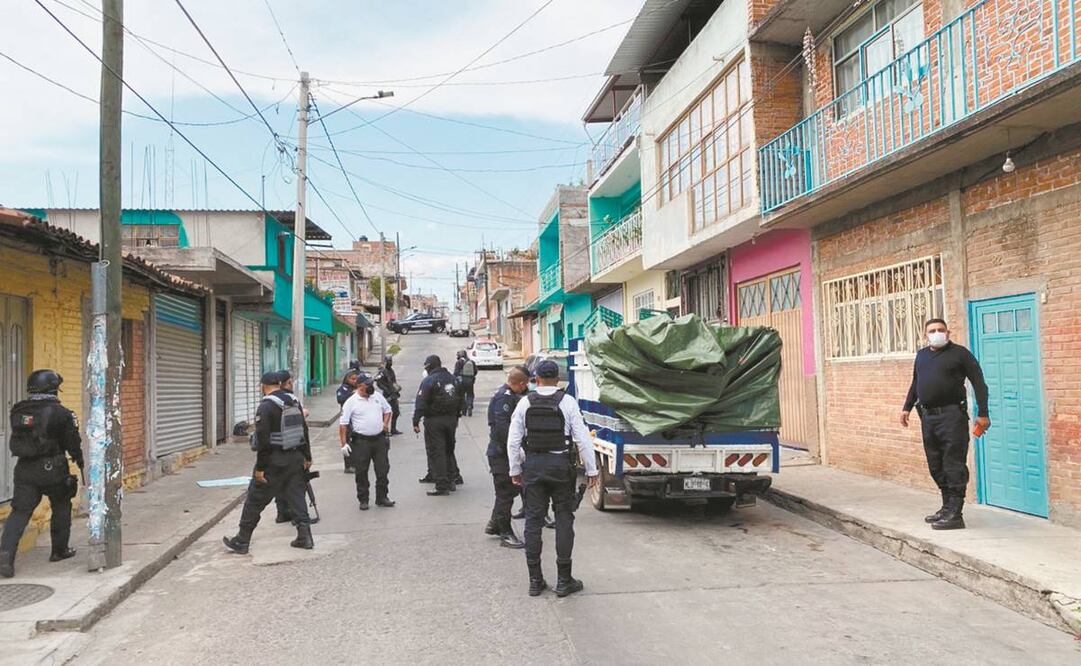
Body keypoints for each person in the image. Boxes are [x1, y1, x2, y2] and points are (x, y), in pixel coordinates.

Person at [507, 360, 599, 597]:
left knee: (533, 523)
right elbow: (583, 440)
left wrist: (515, 470)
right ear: (557, 380)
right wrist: (592, 471)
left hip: (534, 468)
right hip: (560, 468)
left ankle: (535, 580)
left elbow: (513, 441)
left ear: (536, 380)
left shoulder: (525, 403)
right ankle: (563, 580)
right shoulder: (567, 402)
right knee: (564, 520)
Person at [901, 318, 990, 531]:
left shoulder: (960, 354)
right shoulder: (922, 355)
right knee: (936, 463)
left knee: (953, 463)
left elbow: (979, 382)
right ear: (925, 335)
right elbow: (916, 382)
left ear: (948, 332)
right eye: (932, 330)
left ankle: (956, 514)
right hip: (928, 417)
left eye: (941, 330)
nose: (937, 333)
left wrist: (983, 413)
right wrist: (907, 407)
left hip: (952, 416)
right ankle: (946, 506)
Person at [1, 370, 83, 578]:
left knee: (19, 513)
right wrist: (79, 459)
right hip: (53, 468)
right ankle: (59, 550)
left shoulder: (18, 409)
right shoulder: (62, 413)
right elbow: (72, 442)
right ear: (53, 388)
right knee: (62, 506)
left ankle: (5, 557)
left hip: (25, 469)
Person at [223, 372, 313, 554]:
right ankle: (305, 537)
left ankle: (242, 540)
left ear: (263, 386)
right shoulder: (293, 400)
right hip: (296, 458)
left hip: (274, 461)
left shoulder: (266, 406)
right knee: (296, 496)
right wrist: (307, 456)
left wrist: (260, 468)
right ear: (279, 384)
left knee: (255, 500)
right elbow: (303, 429)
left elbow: (263, 441)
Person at [485, 366, 530, 549]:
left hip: (504, 453)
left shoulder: (511, 395)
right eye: (525, 385)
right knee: (505, 493)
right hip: (500, 453)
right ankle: (505, 532)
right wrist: (516, 448)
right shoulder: (505, 397)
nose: (526, 388)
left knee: (509, 491)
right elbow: (502, 428)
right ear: (519, 383)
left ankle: (494, 523)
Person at [340, 372, 395, 511]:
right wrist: (343, 444)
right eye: (368, 385)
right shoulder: (351, 402)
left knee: (383, 469)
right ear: (360, 386)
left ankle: (382, 497)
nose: (371, 387)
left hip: (379, 440)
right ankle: (363, 499)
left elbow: (388, 410)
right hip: (361, 442)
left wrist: (385, 424)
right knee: (361, 472)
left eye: (371, 384)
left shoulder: (377, 396)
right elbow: (343, 424)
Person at [414, 355, 463, 496]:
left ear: (429, 366)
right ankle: (452, 479)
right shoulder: (453, 378)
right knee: (448, 449)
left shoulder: (429, 381)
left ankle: (442, 484)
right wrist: (457, 416)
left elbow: (421, 402)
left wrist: (415, 421)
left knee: (437, 451)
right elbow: (461, 399)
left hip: (434, 421)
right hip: (452, 420)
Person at [336, 368, 360, 474]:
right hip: (347, 420)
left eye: (356, 379)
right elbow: (340, 399)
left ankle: (355, 463)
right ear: (347, 379)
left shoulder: (356, 389)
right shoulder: (344, 389)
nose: (354, 381)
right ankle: (348, 465)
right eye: (352, 379)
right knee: (347, 442)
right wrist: (353, 395)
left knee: (355, 442)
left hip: (355, 419)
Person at [374, 355, 403, 435]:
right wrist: (386, 390)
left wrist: (397, 387)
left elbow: (393, 382)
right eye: (388, 361)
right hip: (387, 396)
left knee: (396, 412)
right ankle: (384, 430)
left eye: (391, 361)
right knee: (386, 412)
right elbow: (378, 383)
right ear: (385, 362)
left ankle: (393, 429)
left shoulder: (391, 371)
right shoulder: (383, 372)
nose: (390, 363)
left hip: (393, 395)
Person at [453, 350, 478, 417]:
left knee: (462, 395)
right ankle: (469, 405)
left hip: (462, 381)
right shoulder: (471, 362)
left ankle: (464, 410)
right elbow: (475, 371)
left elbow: (455, 373)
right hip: (470, 380)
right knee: (470, 394)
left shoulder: (459, 362)